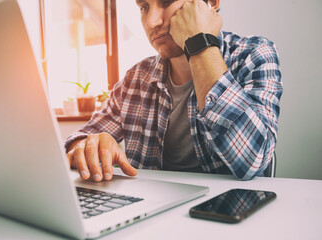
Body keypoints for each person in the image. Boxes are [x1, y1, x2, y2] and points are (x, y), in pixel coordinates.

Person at [65, 0, 283, 182]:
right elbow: (81, 138)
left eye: (167, 2)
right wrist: (86, 146)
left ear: (210, 4)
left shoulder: (252, 55)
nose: (152, 22)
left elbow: (252, 161)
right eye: (144, 7)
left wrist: (199, 43)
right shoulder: (135, 78)